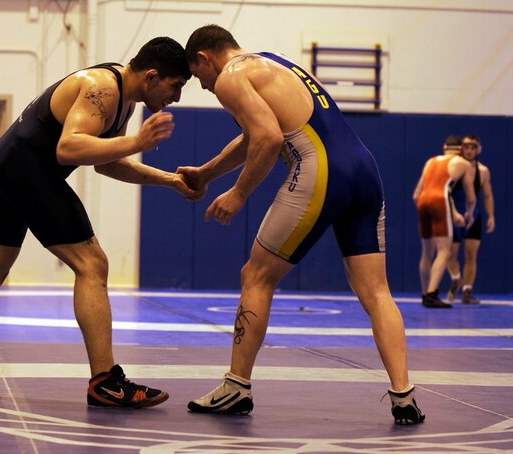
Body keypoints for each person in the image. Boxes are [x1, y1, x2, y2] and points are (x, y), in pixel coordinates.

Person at [0, 37, 194, 408]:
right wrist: (135, 142)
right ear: (151, 75)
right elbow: (69, 148)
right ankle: (106, 382)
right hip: (26, 171)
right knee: (92, 264)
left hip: (6, 164)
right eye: (176, 85)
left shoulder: (124, 100)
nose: (176, 97)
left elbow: (105, 161)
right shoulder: (102, 88)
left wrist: (168, 179)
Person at [178, 25, 426, 424]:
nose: (204, 87)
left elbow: (268, 138)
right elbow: (251, 138)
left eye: (198, 77)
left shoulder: (230, 77)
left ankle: (236, 387)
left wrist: (238, 194)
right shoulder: (273, 62)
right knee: (377, 291)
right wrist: (207, 173)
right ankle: (404, 396)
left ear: (205, 58)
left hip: (321, 170)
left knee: (256, 275)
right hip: (364, 170)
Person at [413, 135, 476, 308]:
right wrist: (468, 214)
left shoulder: (431, 161)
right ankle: (432, 295)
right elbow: (470, 198)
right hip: (440, 201)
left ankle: (425, 292)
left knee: (427, 252)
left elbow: (417, 194)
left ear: (444, 147)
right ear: (461, 149)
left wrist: (453, 212)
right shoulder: (463, 163)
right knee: (444, 251)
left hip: (423, 201)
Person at [446, 135, 495, 304]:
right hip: (455, 214)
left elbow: (488, 195)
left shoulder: (483, 171)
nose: (469, 150)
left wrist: (491, 216)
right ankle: (456, 277)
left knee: (471, 254)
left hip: (473, 216)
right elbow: (445, 191)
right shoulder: (454, 166)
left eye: (473, 147)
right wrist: (453, 212)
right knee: (448, 255)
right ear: (461, 148)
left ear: (478, 150)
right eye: (466, 147)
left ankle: (467, 291)